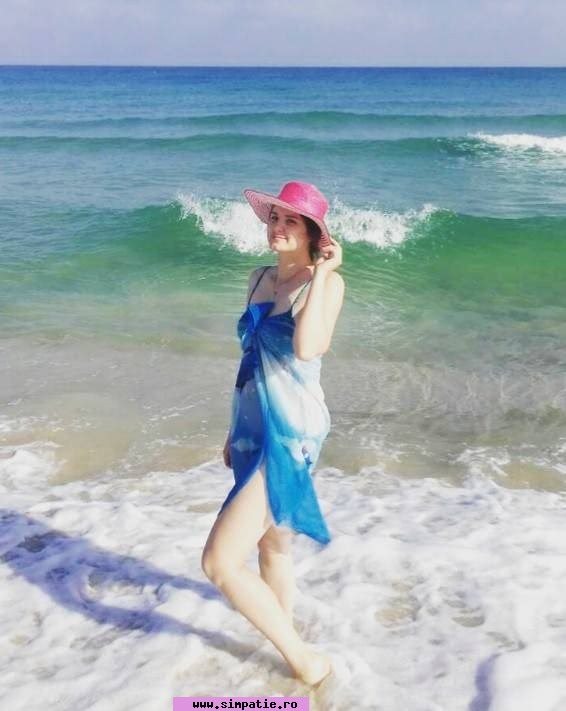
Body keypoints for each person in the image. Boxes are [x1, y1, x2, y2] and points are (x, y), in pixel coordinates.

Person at [201, 181, 344, 687]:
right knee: (272, 546)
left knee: (219, 562)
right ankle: (282, 655)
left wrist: (323, 273)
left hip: (291, 431)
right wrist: (232, 430)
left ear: (313, 234)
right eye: (274, 218)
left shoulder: (325, 285)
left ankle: (307, 663)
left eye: (291, 221)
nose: (277, 227)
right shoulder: (259, 277)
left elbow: (307, 348)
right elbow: (249, 359)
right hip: (251, 424)